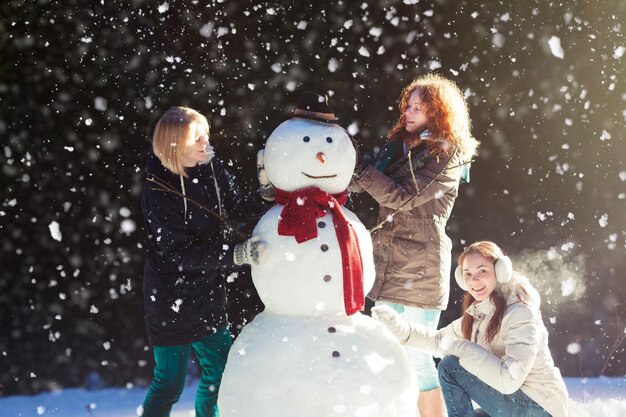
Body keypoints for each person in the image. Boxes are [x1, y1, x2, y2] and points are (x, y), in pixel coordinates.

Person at [350, 73, 479, 417]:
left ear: (437, 114)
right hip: (390, 263)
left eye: (419, 108)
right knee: (387, 355)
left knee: (419, 358)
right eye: (408, 105)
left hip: (420, 267)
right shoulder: (400, 146)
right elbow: (366, 183)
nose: (409, 112)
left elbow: (403, 197)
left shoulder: (447, 156)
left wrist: (360, 170)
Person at [140, 106, 264, 417]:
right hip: (169, 301)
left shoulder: (209, 167)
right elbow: (177, 254)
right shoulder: (158, 189)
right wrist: (234, 255)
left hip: (207, 294)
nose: (206, 142)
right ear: (174, 145)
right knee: (169, 383)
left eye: (205, 134)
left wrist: (265, 194)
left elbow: (234, 211)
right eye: (197, 137)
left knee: (221, 375)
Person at [371, 241, 569, 417]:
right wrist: (401, 329)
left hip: (540, 407)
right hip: (518, 404)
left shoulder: (521, 313)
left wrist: (463, 349)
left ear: (501, 272)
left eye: (482, 271)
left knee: (450, 367)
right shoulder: (479, 314)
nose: (474, 280)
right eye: (468, 274)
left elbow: (509, 380)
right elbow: (439, 340)